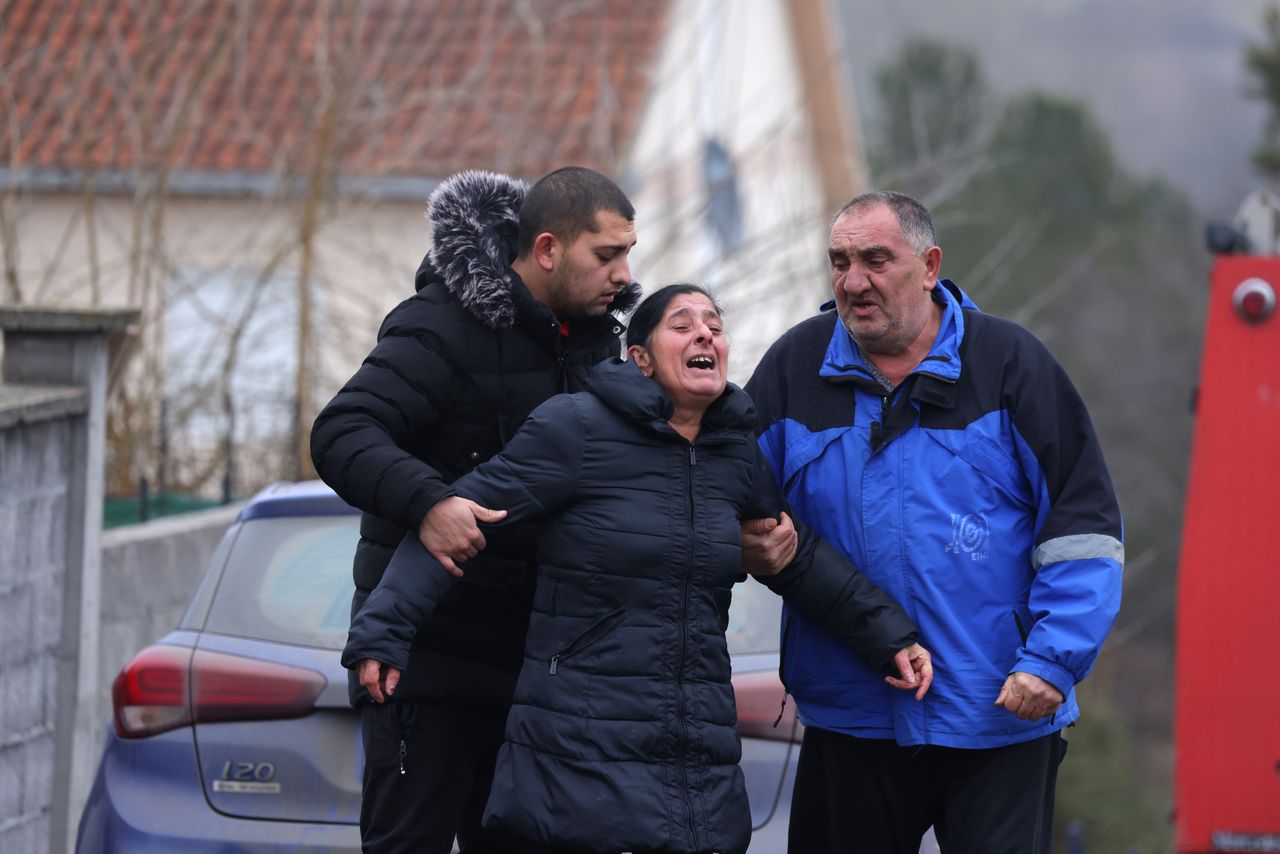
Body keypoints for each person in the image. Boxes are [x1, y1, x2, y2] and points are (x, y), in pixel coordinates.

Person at [343, 284, 934, 854]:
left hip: (692, 746)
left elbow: (796, 555)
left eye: (715, 326)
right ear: (640, 359)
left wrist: (888, 635)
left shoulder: (734, 451)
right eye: (682, 325)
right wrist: (384, 631)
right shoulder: (576, 426)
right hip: (581, 738)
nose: (704, 332)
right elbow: (461, 521)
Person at [744, 192, 1124, 854]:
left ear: (929, 265)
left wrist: (1054, 660)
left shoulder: (1010, 364)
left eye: (874, 260)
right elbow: (730, 499)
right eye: (839, 262)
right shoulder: (792, 368)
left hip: (1000, 714)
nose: (852, 281)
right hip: (850, 717)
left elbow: (1082, 528)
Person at [310, 166, 642, 853]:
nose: (624, 273)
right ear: (547, 249)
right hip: (428, 670)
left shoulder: (597, 347)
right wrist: (430, 503)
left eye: (628, 253)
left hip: (538, 682)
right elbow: (342, 433)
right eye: (606, 255)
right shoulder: (441, 325)